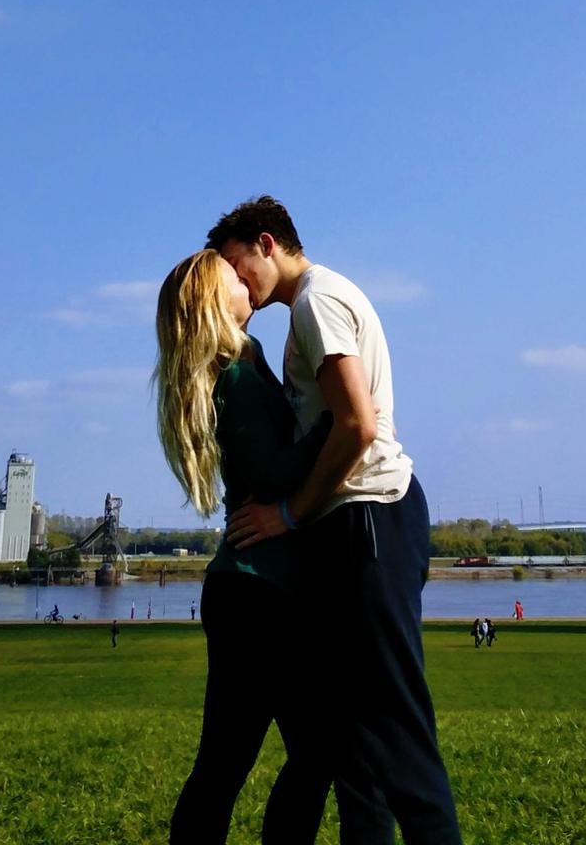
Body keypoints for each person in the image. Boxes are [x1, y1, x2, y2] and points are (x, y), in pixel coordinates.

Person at [215, 195, 462, 844]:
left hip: (368, 517)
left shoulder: (315, 301)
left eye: (237, 266)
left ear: (266, 243)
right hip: (355, 524)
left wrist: (288, 516)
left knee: (397, 729)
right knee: (355, 742)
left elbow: (357, 423)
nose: (236, 283)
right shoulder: (307, 308)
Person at [154, 246, 339, 845]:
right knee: (298, 756)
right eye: (235, 277)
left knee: (233, 766)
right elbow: (272, 473)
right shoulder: (233, 369)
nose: (247, 281)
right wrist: (339, 423)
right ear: (216, 297)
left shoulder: (240, 361)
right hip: (257, 595)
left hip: (252, 592)